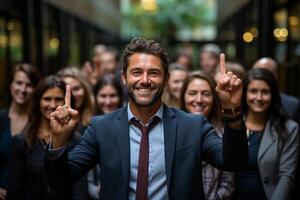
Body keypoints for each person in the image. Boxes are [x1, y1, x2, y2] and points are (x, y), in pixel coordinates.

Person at [46, 38, 248, 200]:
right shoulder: (102, 127)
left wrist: (231, 109)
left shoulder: (193, 126)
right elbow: (60, 180)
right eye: (136, 73)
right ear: (124, 78)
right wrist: (59, 140)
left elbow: (233, 162)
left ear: (166, 79)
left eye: (153, 73)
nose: (144, 80)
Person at [7, 75, 88, 200]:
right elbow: (15, 191)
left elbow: (80, 190)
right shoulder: (22, 141)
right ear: (38, 101)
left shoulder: (76, 140)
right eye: (47, 99)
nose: (52, 104)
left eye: (58, 99)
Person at [232, 68, 299, 200]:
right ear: (244, 94)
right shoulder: (232, 123)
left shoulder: (289, 128)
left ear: (273, 94)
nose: (259, 97)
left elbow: (286, 176)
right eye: (253, 91)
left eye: (265, 92)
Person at [181, 71, 234, 200]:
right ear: (183, 97)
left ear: (214, 98)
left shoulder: (223, 134)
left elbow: (228, 185)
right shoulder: (171, 130)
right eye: (192, 93)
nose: (199, 100)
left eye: (206, 94)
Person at [0, 63, 40, 200]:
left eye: (28, 85)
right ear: (11, 84)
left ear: (35, 89)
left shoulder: (39, 122)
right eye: (18, 83)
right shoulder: (0, 119)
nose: (23, 89)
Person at [87, 74, 124, 200]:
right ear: (95, 97)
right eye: (103, 96)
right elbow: (87, 178)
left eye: (112, 96)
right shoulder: (90, 128)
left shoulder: (132, 126)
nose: (108, 102)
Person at [252, 57, 300, 123]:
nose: (260, 78)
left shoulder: (293, 106)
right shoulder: (242, 103)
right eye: (256, 73)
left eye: (265, 74)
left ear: (275, 76)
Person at [57, 67, 94, 134]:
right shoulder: (54, 121)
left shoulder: (97, 119)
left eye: (76, 89)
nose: (72, 95)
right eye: (66, 91)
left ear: (85, 89)